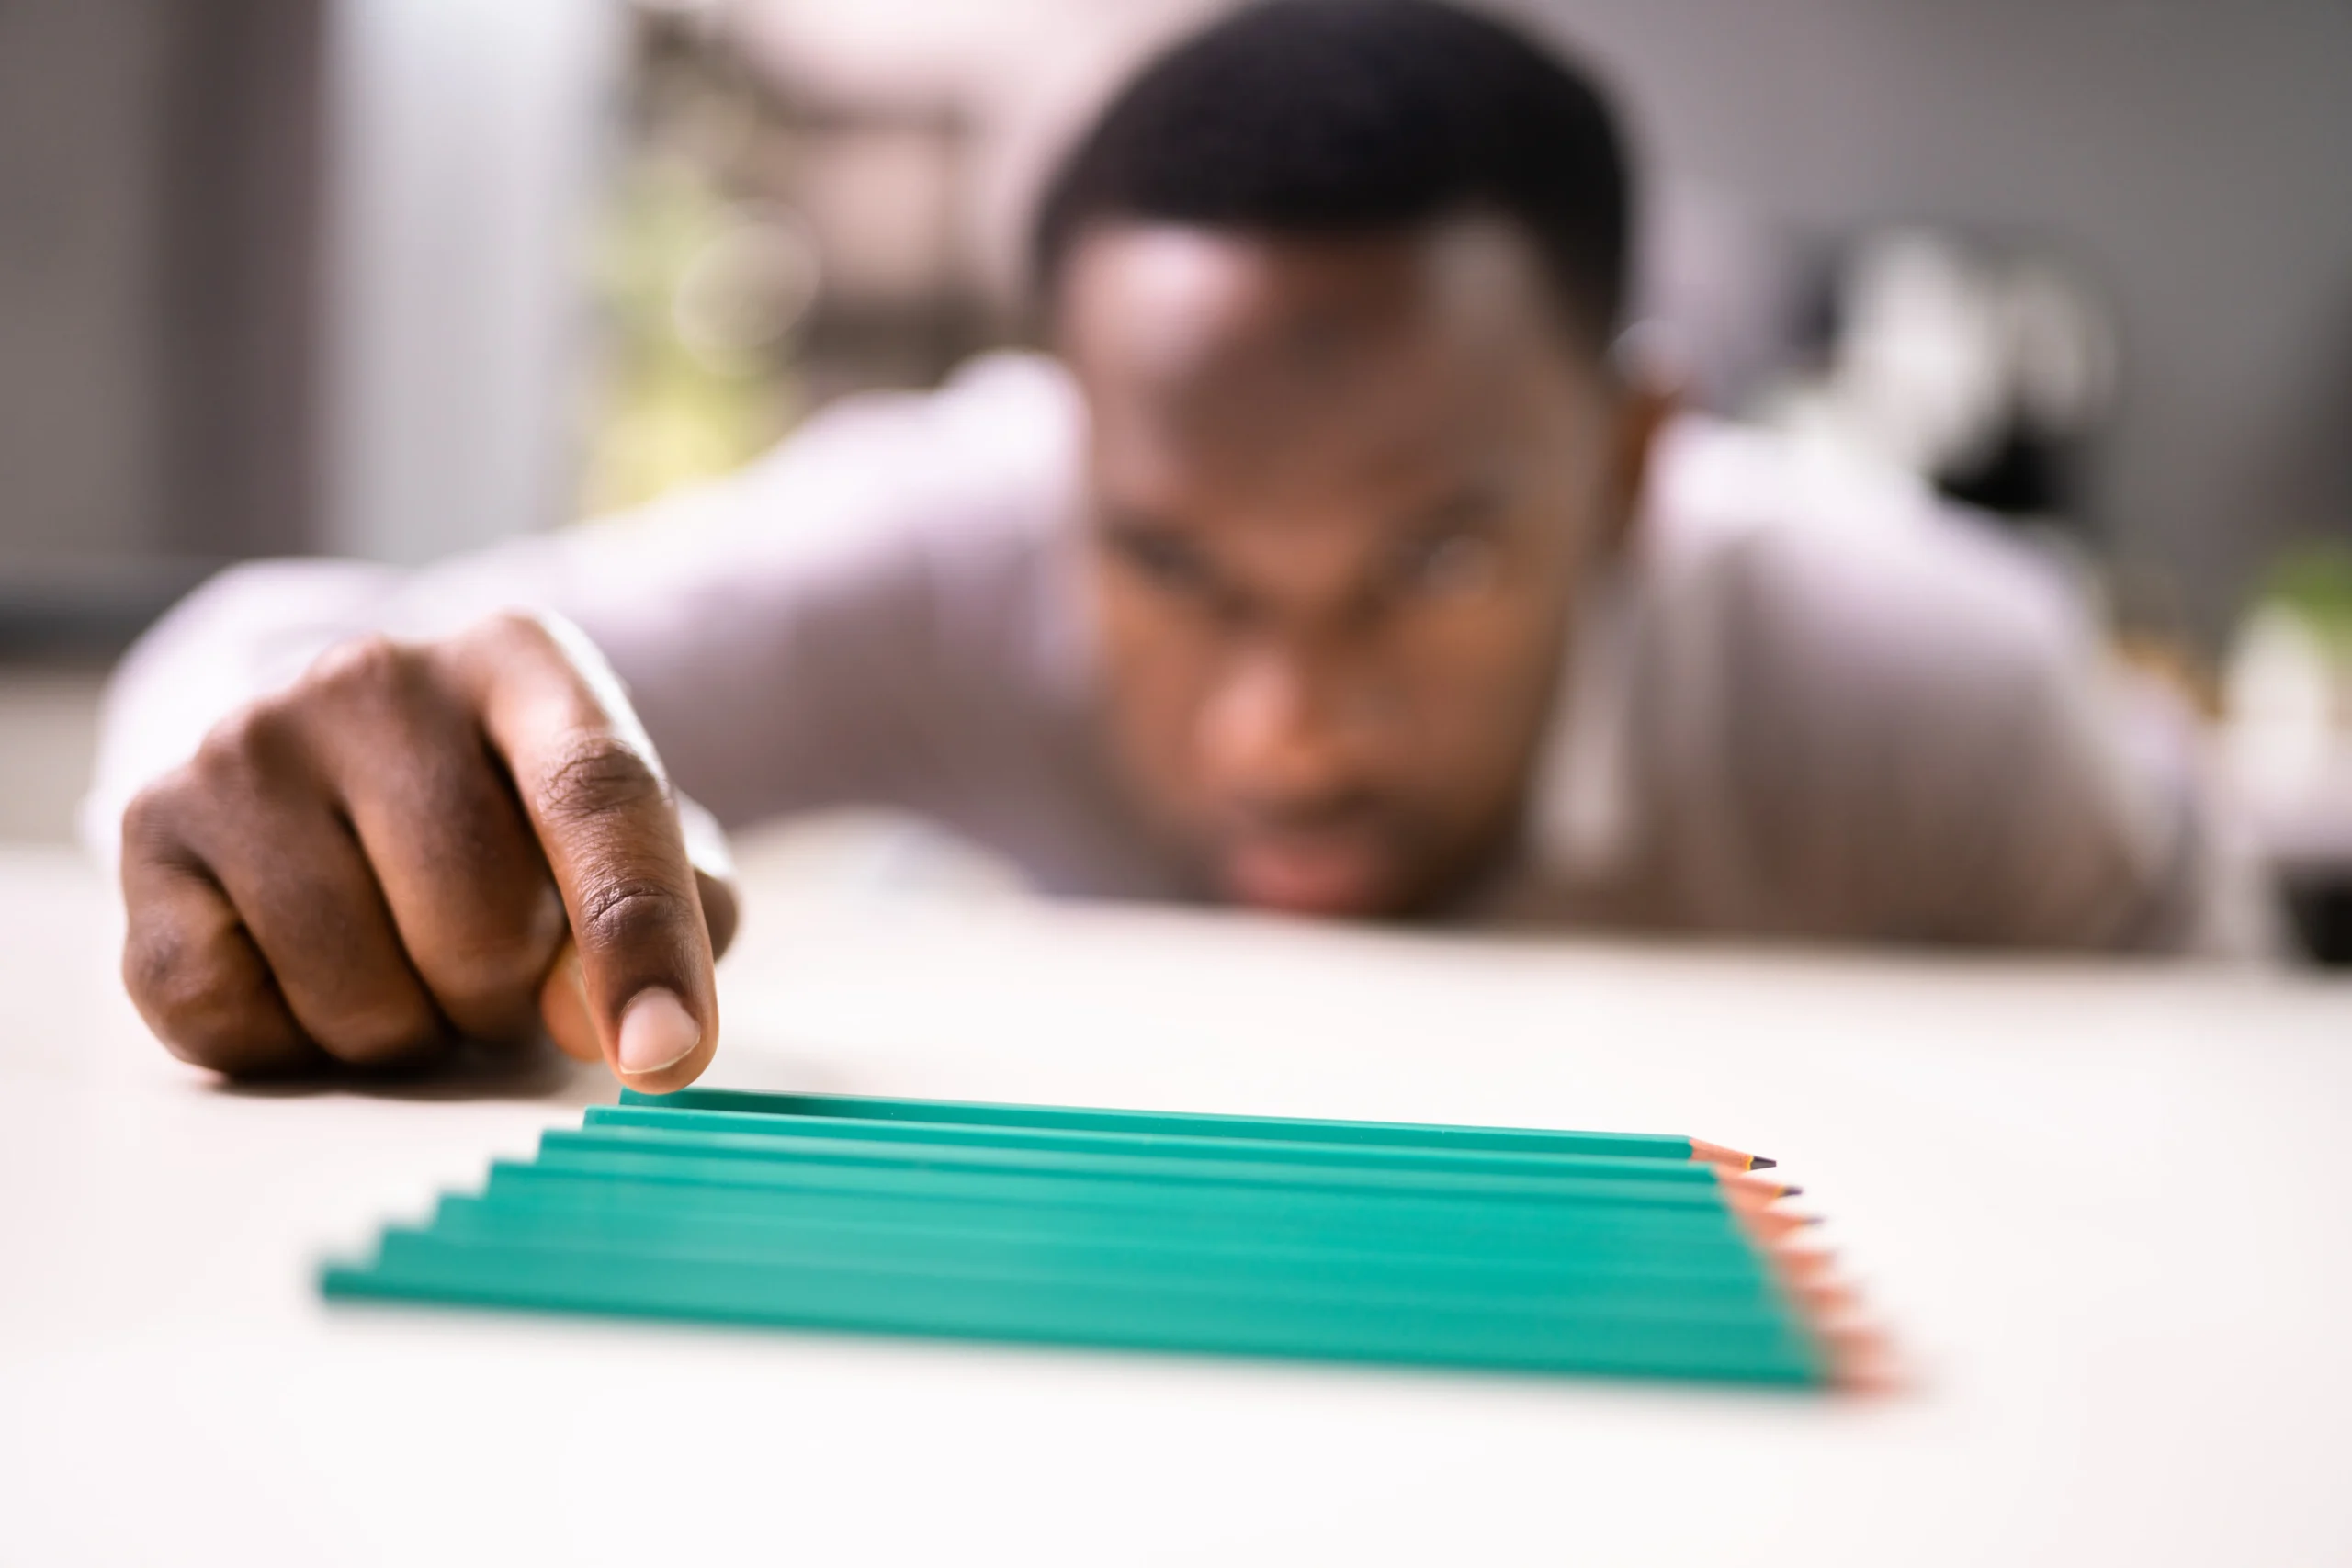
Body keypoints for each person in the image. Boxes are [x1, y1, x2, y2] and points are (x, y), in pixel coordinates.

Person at [86, 0, 2266, 1092]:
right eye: (1177, 569)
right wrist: (282, 770)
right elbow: (320, 656)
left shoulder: (1933, 684)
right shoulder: (964, 521)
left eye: (1423, 565)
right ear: (1072, 452)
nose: (1281, 727)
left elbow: (2247, 1097)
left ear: (1625, 469)